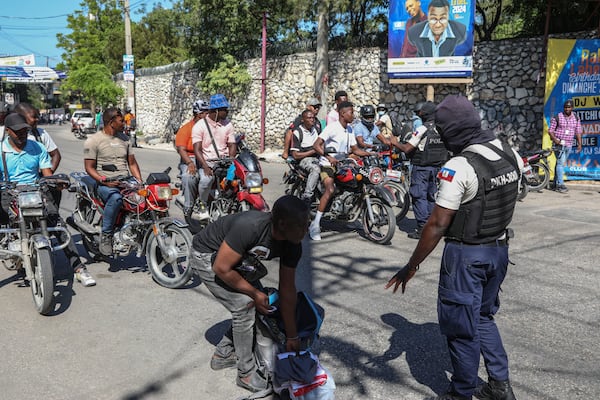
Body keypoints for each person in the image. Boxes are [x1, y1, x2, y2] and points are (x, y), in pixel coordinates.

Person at [385, 95, 522, 400]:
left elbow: (436, 224)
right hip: (499, 250)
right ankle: (500, 386)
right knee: (484, 317)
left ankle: (461, 392)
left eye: (445, 132)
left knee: (461, 327)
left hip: (466, 255)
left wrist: (411, 265)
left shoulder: (459, 165)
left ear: (453, 131)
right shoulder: (509, 152)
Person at [191, 195, 309, 393]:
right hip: (207, 255)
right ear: (282, 224)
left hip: (237, 260)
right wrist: (253, 293)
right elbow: (221, 267)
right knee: (244, 306)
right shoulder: (251, 227)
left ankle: (223, 353)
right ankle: (245, 373)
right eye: (302, 225)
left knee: (266, 302)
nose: (307, 230)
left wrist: (292, 336)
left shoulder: (293, 245)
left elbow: (287, 291)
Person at [1, 113, 95, 286]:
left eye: (24, 130)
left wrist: (57, 183)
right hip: (8, 192)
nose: (22, 134)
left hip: (35, 191)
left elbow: (47, 175)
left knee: (57, 223)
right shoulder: (1, 151)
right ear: (7, 132)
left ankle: (79, 269)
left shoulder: (37, 147)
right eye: (17, 131)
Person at [310, 101, 376, 241]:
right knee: (330, 190)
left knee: (358, 183)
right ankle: (315, 225)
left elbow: (355, 150)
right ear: (342, 114)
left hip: (344, 163)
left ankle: (352, 215)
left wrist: (371, 153)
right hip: (327, 164)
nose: (353, 115)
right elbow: (316, 145)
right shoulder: (331, 128)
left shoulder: (350, 129)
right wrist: (328, 157)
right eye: (351, 112)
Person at [84, 107, 143, 256]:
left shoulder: (125, 139)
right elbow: (89, 168)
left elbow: (132, 164)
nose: (124, 123)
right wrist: (104, 181)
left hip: (125, 181)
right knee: (116, 198)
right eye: (121, 120)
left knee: (146, 198)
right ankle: (107, 235)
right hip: (104, 183)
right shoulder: (93, 140)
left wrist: (140, 182)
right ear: (111, 122)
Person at [394, 101, 448, 239]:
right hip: (436, 168)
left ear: (424, 114)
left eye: (419, 113)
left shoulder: (423, 129)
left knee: (419, 196)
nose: (418, 115)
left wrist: (393, 142)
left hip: (421, 168)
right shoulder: (441, 128)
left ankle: (423, 228)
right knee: (431, 195)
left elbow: (407, 148)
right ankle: (432, 225)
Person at [192, 94, 237, 220]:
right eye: (224, 110)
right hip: (208, 162)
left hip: (225, 162)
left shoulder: (228, 124)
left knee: (239, 179)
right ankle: (201, 204)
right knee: (206, 180)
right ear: (216, 110)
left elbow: (232, 144)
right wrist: (205, 166)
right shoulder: (200, 126)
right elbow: (197, 149)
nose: (227, 112)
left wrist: (231, 161)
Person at [175, 99, 210, 216]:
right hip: (190, 159)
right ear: (199, 114)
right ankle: (188, 205)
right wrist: (190, 163)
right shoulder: (185, 129)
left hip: (206, 158)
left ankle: (205, 203)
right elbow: (181, 149)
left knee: (208, 178)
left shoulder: (209, 128)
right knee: (189, 177)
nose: (208, 115)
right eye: (206, 113)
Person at [548, 99, 582, 193]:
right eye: (566, 107)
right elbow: (550, 131)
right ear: (564, 108)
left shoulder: (576, 117)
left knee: (560, 163)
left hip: (569, 144)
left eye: (569, 107)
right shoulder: (557, 117)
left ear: (572, 107)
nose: (567, 109)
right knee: (560, 163)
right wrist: (556, 140)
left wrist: (580, 144)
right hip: (559, 144)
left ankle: (555, 183)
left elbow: (578, 131)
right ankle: (560, 185)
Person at [289, 109, 321, 205]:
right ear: (303, 120)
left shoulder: (315, 130)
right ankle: (307, 196)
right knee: (315, 170)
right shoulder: (298, 133)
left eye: (313, 118)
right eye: (309, 118)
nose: (312, 120)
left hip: (317, 158)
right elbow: (295, 155)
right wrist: (313, 151)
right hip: (304, 160)